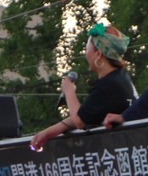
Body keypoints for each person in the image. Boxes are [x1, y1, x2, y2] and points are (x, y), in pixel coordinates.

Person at [30, 22, 136, 150]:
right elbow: (86, 114)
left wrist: (69, 91)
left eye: (87, 49)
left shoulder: (108, 85)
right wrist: (49, 132)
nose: (86, 54)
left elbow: (80, 121)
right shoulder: (120, 77)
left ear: (99, 54)